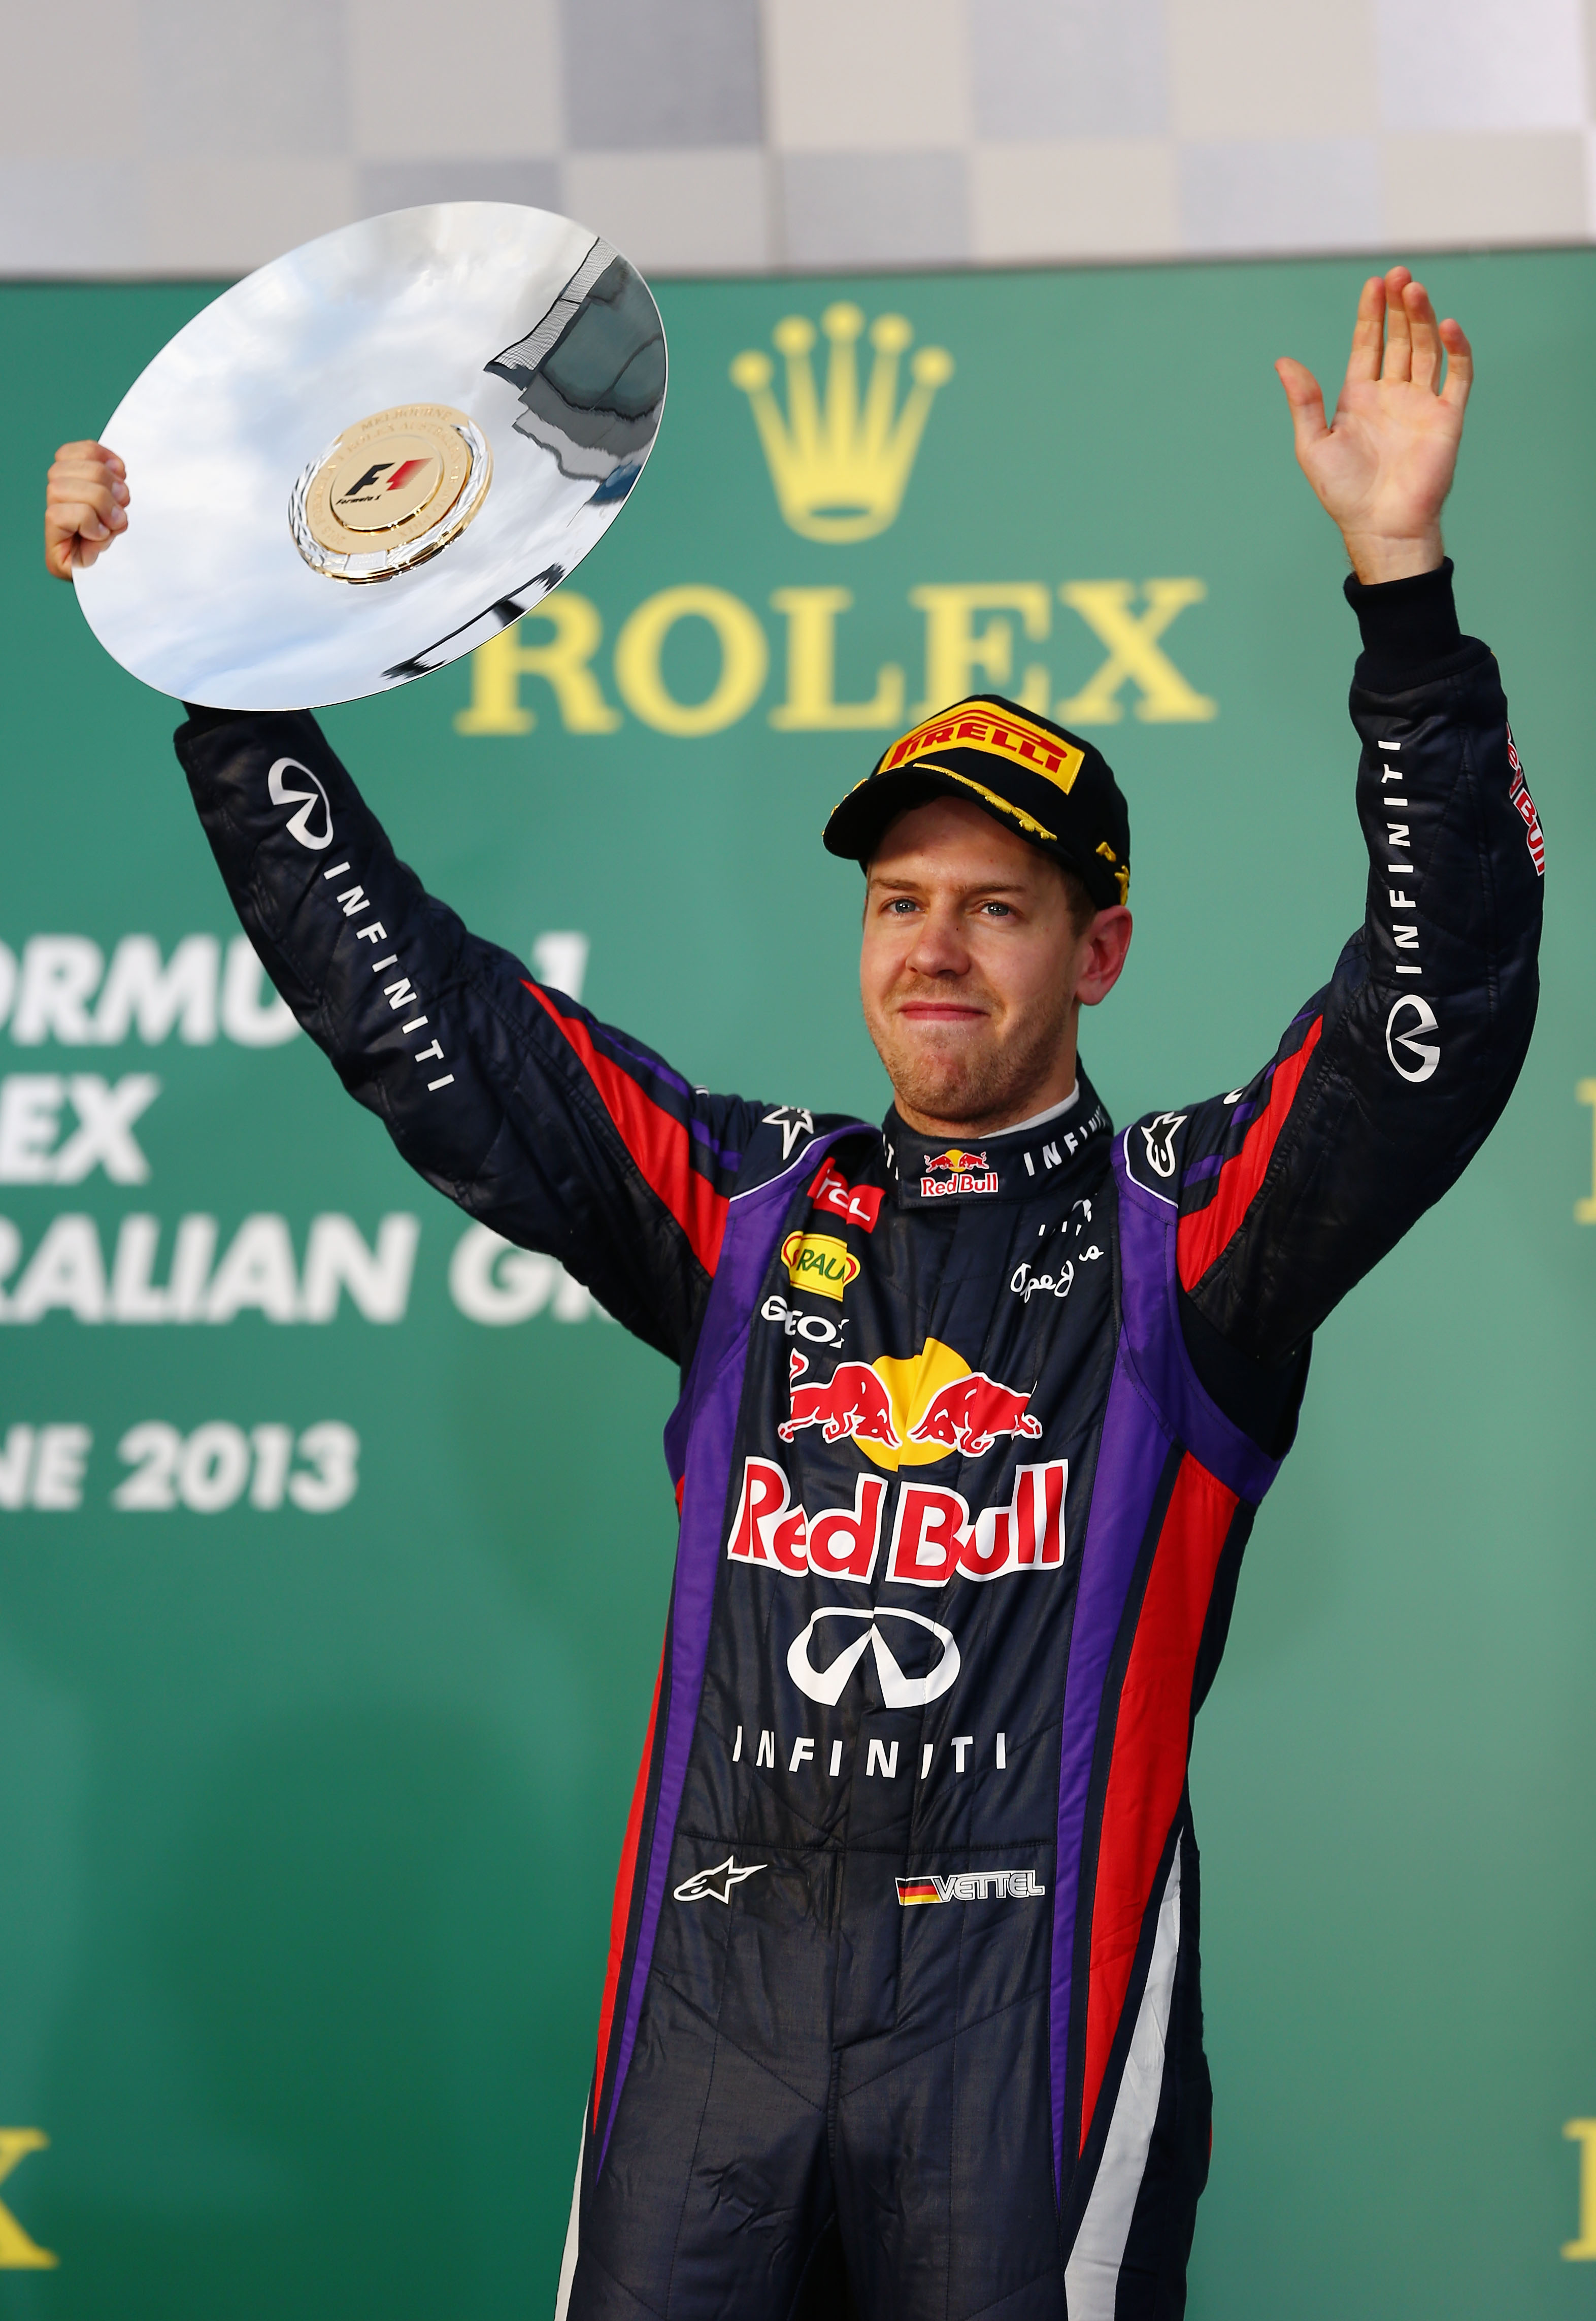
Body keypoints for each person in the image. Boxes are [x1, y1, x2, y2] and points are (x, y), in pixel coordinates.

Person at [45, 267, 1543, 2318]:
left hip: (1027, 2020)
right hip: (708, 2020)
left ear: (1098, 951)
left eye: (997, 908)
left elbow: (1431, 1025)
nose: (934, 949)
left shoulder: (1187, 1232)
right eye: (899, 900)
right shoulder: (751, 1207)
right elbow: (430, 1025)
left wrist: (1404, 598)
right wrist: (216, 661)